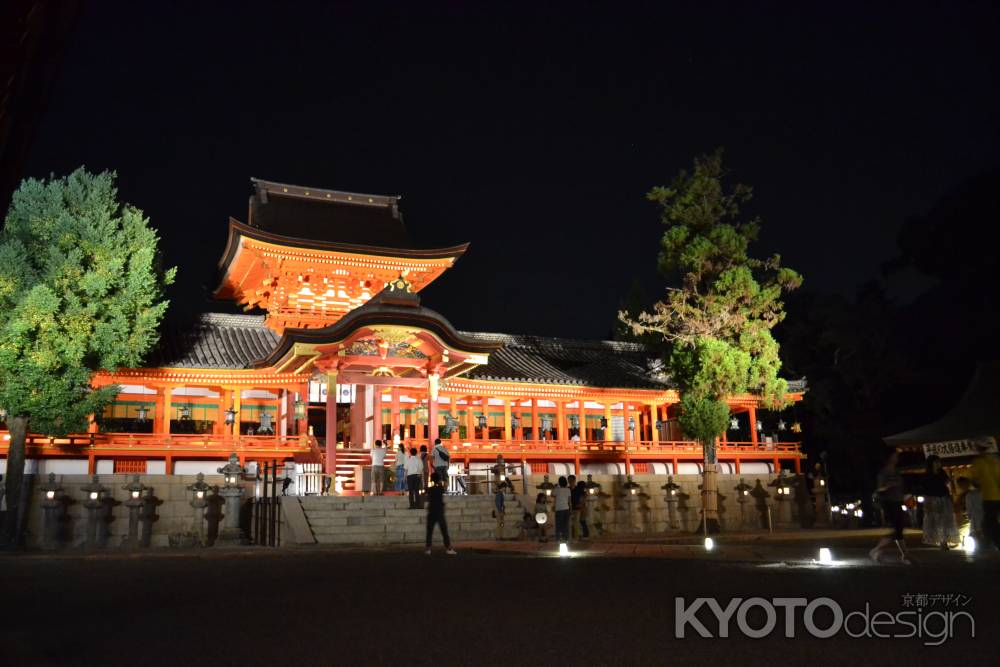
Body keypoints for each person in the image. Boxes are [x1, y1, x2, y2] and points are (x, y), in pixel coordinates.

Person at [870, 450, 911, 564]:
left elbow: (901, 486)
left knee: (898, 529)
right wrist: (888, 486)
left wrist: (905, 495)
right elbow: (879, 488)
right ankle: (877, 550)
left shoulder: (896, 472)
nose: (897, 457)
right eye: (894, 455)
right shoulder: (884, 472)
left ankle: (904, 555)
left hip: (897, 501)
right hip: (889, 502)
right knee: (897, 529)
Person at [921, 454, 957, 548]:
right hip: (933, 499)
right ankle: (941, 541)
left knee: (945, 520)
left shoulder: (941, 472)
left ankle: (944, 541)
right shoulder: (927, 475)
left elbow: (947, 482)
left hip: (944, 498)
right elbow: (925, 489)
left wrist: (950, 482)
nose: (938, 464)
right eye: (936, 462)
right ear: (931, 463)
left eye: (939, 462)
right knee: (936, 521)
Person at [971, 439, 1000, 550]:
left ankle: (991, 544)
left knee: (989, 524)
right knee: (990, 523)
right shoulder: (996, 460)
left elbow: (975, 481)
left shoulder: (978, 462)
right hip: (994, 496)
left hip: (990, 497)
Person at [425, 472, 457, 555]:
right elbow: (445, 485)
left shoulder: (430, 489)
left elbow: (426, 494)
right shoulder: (440, 488)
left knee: (429, 531)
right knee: (444, 531)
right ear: (438, 480)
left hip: (431, 511)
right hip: (439, 512)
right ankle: (448, 548)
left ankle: (428, 549)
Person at [956, 477, 983, 541]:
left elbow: (969, 508)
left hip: (973, 516)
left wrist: (968, 515)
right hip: (980, 515)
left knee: (976, 531)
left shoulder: (969, 494)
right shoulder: (982, 493)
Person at [553, 476, 572, 544]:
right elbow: (569, 501)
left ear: (559, 482)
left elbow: (552, 494)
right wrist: (570, 509)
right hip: (566, 509)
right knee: (566, 525)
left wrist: (555, 486)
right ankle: (566, 539)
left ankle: (558, 539)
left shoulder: (557, 489)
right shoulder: (568, 490)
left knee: (558, 525)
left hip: (559, 509)